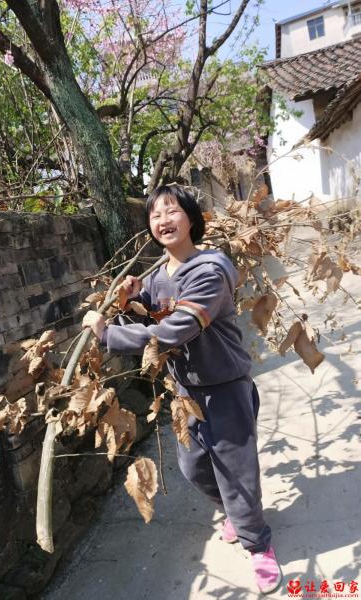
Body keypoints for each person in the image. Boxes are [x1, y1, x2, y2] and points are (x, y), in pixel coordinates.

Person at [82, 184, 282, 594]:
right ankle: (234, 512)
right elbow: (150, 312)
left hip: (224, 388)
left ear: (191, 218)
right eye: (155, 215)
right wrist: (129, 300)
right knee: (193, 469)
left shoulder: (210, 271)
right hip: (185, 392)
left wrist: (107, 336)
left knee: (237, 473)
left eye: (172, 211)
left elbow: (172, 332)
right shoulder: (159, 274)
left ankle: (257, 543)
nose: (163, 221)